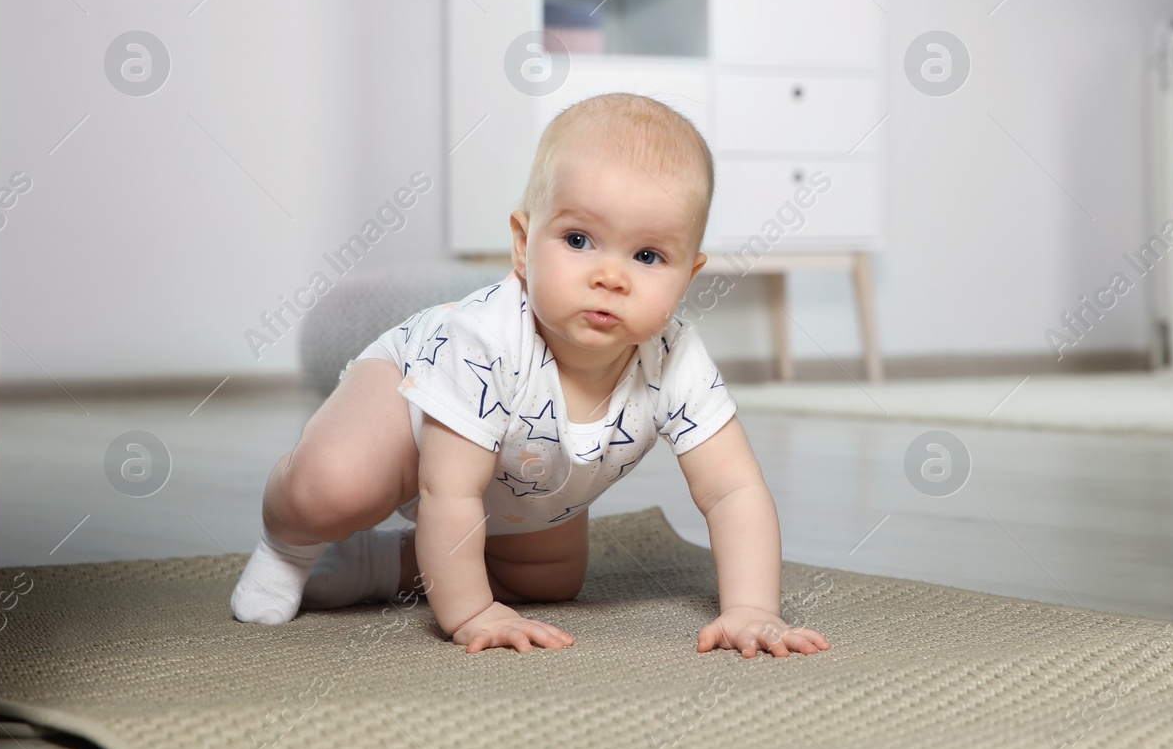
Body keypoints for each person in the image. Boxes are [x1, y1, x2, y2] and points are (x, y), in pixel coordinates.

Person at [229, 92, 830, 658]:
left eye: (648, 256)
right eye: (578, 239)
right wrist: (472, 614)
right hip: (412, 399)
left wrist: (752, 608)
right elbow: (450, 490)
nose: (611, 276)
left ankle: (376, 565)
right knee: (334, 485)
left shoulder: (677, 359)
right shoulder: (485, 341)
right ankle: (287, 545)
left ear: (688, 277)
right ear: (523, 244)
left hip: (521, 481)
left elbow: (733, 491)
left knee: (549, 580)